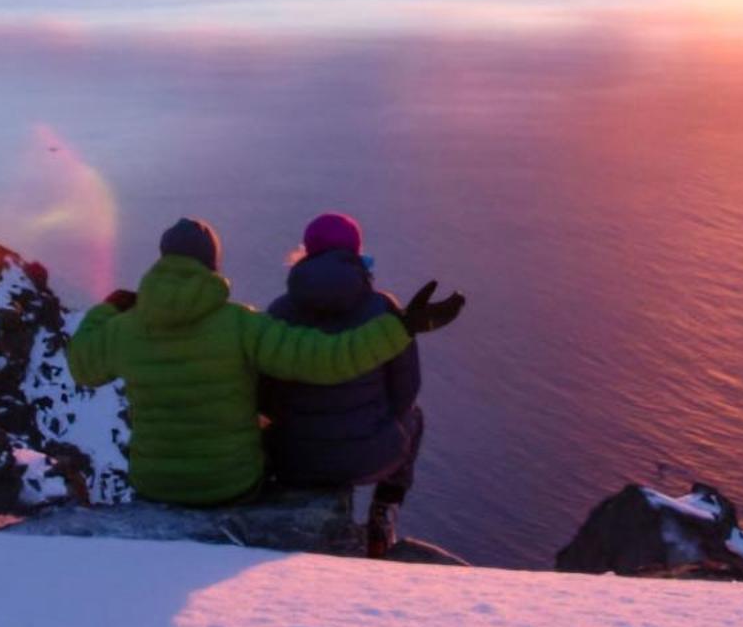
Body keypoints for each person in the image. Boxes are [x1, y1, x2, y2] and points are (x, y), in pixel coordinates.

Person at [67, 216, 463, 508]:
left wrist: (105, 310)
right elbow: (328, 360)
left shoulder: (125, 330)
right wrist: (402, 327)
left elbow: (82, 366)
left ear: (163, 261)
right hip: (232, 486)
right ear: (211, 266)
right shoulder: (243, 325)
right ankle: (382, 516)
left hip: (154, 485)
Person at [259, 212, 429, 558]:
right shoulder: (383, 310)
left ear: (305, 252)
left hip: (293, 459)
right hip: (369, 457)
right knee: (416, 417)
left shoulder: (279, 312)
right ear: (356, 253)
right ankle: (383, 515)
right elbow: (406, 392)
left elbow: (265, 395)